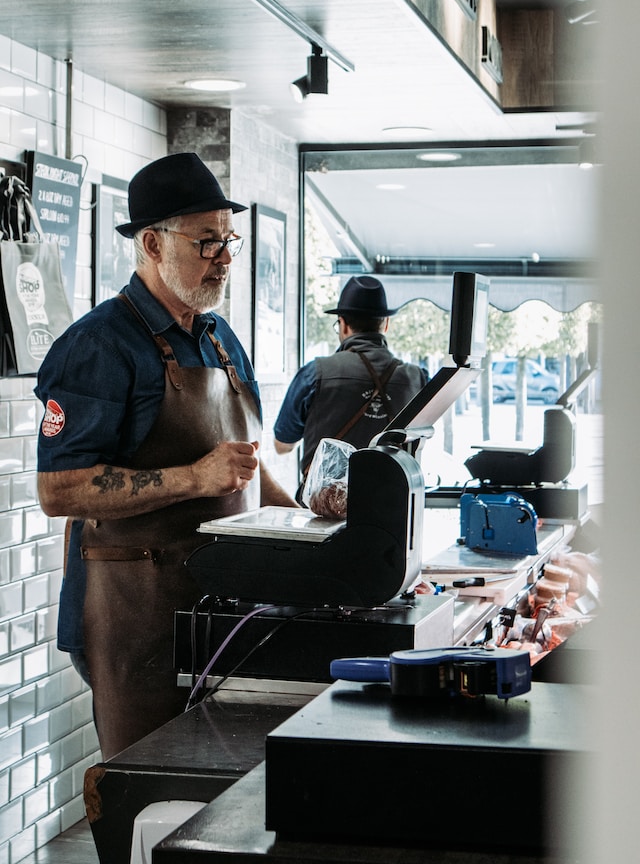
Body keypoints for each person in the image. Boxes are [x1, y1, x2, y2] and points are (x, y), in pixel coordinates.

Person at [35, 152, 297, 760]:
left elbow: (246, 465)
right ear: (152, 243)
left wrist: (313, 520)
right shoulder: (98, 346)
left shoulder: (218, 337)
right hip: (134, 616)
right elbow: (60, 490)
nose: (226, 258)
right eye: (207, 243)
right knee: (149, 796)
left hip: (221, 610)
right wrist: (192, 478)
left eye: (229, 240)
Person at [273, 275, 427, 497]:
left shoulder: (315, 373)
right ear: (385, 324)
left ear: (343, 325)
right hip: (392, 510)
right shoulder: (417, 378)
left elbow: (282, 445)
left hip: (322, 509)